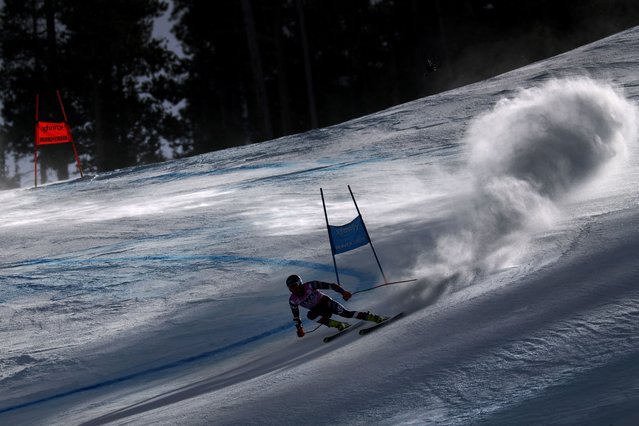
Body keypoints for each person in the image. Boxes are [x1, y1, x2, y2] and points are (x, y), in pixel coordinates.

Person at [286, 274, 385, 338]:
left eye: (294, 286)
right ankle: (338, 324)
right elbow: (296, 316)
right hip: (319, 311)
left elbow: (331, 286)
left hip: (326, 303)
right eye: (291, 288)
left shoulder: (311, 285)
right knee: (310, 315)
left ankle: (373, 317)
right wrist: (299, 328)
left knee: (346, 314)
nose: (293, 290)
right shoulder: (293, 300)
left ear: (300, 283)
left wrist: (343, 292)